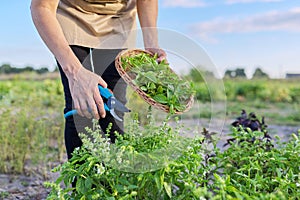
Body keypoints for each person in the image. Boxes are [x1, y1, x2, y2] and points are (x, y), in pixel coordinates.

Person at [30, 0, 167, 160]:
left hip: (118, 20)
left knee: (113, 109)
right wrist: (75, 73)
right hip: (72, 13)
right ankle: (80, 181)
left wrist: (151, 44)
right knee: (81, 106)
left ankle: (113, 178)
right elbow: (42, 6)